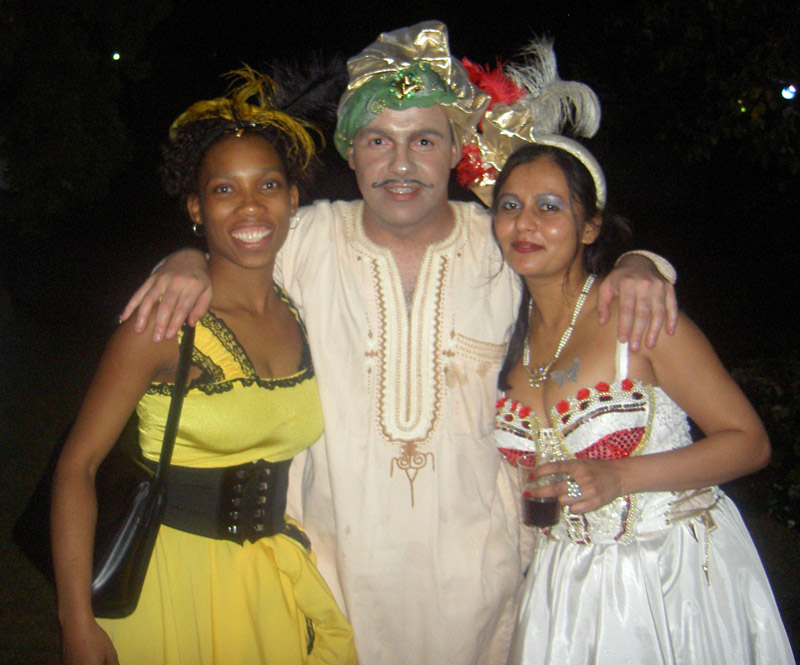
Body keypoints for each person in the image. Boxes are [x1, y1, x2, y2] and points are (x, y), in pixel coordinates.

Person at [120, 23, 678, 664]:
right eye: (378, 140)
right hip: (332, 576)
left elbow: (586, 271)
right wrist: (185, 259)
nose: (402, 164)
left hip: (478, 584)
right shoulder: (304, 240)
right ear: (350, 153)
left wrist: (643, 264)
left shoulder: (503, 245)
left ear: (455, 151)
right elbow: (232, 242)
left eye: (425, 141)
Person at [50, 69, 357, 665]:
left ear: (293, 198)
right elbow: (76, 468)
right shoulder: (163, 324)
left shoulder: (303, 312)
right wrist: (75, 621)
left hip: (266, 580)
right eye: (224, 189)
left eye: (269, 184)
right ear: (196, 206)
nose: (251, 205)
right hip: (168, 584)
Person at [491, 139, 795, 664]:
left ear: (590, 226)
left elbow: (749, 443)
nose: (525, 223)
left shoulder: (639, 316)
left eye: (550, 207)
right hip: (562, 588)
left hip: (670, 577)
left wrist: (620, 475)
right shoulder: (500, 335)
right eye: (510, 206)